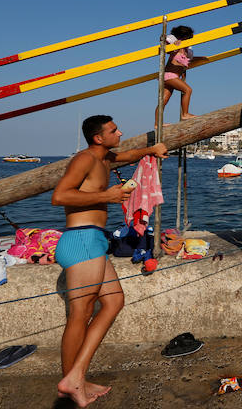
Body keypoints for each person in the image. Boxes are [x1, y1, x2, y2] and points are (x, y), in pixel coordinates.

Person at [51, 115, 167, 406]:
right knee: (80, 315)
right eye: (114, 130)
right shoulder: (85, 159)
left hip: (94, 240)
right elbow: (60, 196)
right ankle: (71, 381)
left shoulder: (104, 159)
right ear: (98, 137)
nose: (121, 132)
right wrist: (108, 194)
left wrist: (151, 151)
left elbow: (126, 155)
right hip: (80, 240)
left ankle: (77, 375)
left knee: (114, 301)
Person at [157, 25, 207, 123]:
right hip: (169, 75)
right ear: (184, 37)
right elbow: (164, 40)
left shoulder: (186, 51)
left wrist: (201, 58)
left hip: (172, 76)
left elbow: (190, 60)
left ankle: (157, 124)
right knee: (188, 90)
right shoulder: (176, 46)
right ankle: (185, 114)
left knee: (163, 100)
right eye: (188, 38)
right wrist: (173, 43)